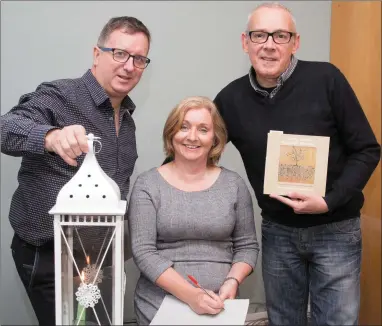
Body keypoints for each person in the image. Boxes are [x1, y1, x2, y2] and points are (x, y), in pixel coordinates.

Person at [213, 2, 381, 326]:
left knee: (337, 322)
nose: (269, 44)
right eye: (259, 35)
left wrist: (329, 202)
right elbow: (198, 149)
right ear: (245, 42)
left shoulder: (327, 79)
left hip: (336, 229)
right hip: (278, 232)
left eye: (280, 35)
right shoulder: (230, 99)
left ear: (296, 42)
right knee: (283, 321)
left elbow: (367, 150)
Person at [1, 16, 151, 326]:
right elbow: (4, 129)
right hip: (48, 255)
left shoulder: (128, 120)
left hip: (96, 258)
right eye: (119, 53)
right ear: (97, 54)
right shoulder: (60, 96)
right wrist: (50, 137)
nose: (128, 66)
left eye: (139, 59)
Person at [127, 96, 259, 325]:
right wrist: (191, 296)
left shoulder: (234, 184)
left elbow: (247, 246)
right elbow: (143, 252)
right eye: (184, 127)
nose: (192, 136)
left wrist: (232, 282)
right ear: (171, 134)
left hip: (221, 303)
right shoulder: (147, 185)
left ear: (215, 138)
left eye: (203, 129)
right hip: (161, 303)